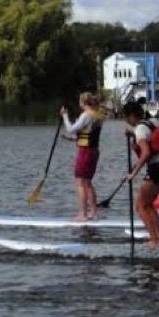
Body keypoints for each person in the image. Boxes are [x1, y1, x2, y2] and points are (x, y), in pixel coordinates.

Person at [121, 100, 159, 247]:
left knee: (141, 205)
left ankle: (154, 240)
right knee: (148, 205)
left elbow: (146, 153)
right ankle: (158, 239)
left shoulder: (140, 129)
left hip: (156, 167)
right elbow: (145, 152)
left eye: (126, 117)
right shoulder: (149, 123)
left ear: (132, 116)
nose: (126, 121)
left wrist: (133, 174)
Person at [60, 92, 105, 221]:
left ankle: (83, 214)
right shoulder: (98, 115)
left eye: (80, 102)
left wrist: (65, 116)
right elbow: (88, 135)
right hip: (94, 151)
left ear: (83, 103)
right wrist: (71, 139)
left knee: (80, 183)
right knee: (88, 183)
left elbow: (70, 128)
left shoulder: (86, 115)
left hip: (85, 152)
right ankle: (94, 213)